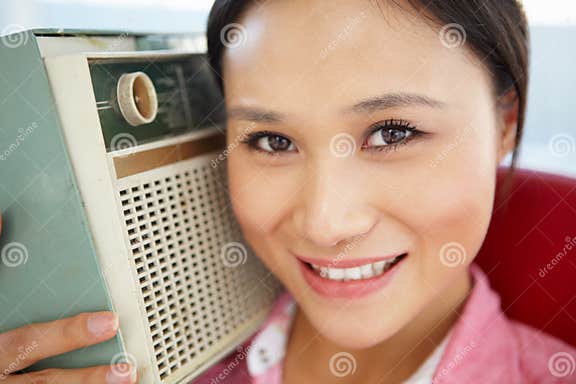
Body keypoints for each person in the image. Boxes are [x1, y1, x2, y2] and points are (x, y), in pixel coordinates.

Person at [0, 1, 575, 383]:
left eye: (393, 132)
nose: (326, 223)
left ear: (506, 124)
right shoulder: (143, 359)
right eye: (272, 141)